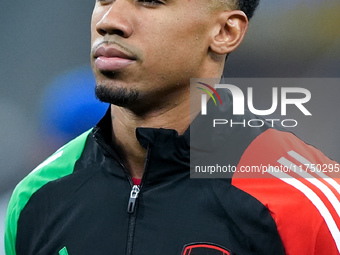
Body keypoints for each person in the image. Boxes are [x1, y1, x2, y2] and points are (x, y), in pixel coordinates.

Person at [5, 0, 340, 255]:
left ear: (226, 32)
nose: (110, 22)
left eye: (150, 0)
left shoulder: (307, 200)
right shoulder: (35, 195)